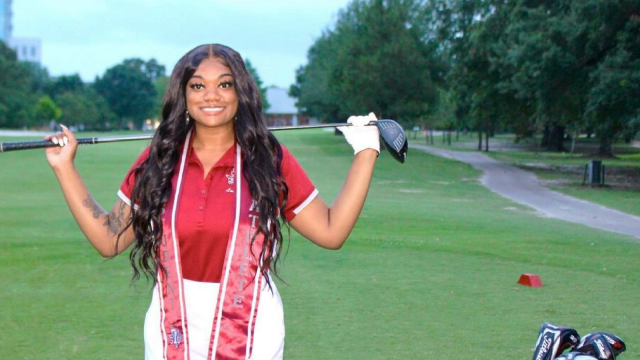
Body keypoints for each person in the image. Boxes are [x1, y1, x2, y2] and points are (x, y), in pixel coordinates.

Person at [44, 43, 379, 360]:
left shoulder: (268, 158)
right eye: (198, 86)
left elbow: (331, 231)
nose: (212, 96)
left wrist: (366, 152)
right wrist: (64, 167)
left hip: (252, 328)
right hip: (170, 328)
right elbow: (109, 238)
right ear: (183, 94)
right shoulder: (159, 160)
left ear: (241, 91)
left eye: (225, 84)